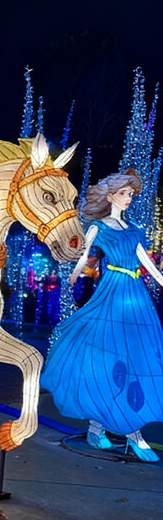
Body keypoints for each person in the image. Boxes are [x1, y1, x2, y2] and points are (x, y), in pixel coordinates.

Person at [41, 169, 163, 462]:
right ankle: (117, 432)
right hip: (113, 289)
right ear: (111, 196)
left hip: (135, 292)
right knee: (109, 357)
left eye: (131, 195)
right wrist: (73, 273)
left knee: (136, 357)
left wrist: (161, 278)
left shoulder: (133, 228)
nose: (129, 199)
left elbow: (144, 258)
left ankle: (117, 431)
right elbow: (84, 254)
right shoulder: (99, 227)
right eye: (124, 194)